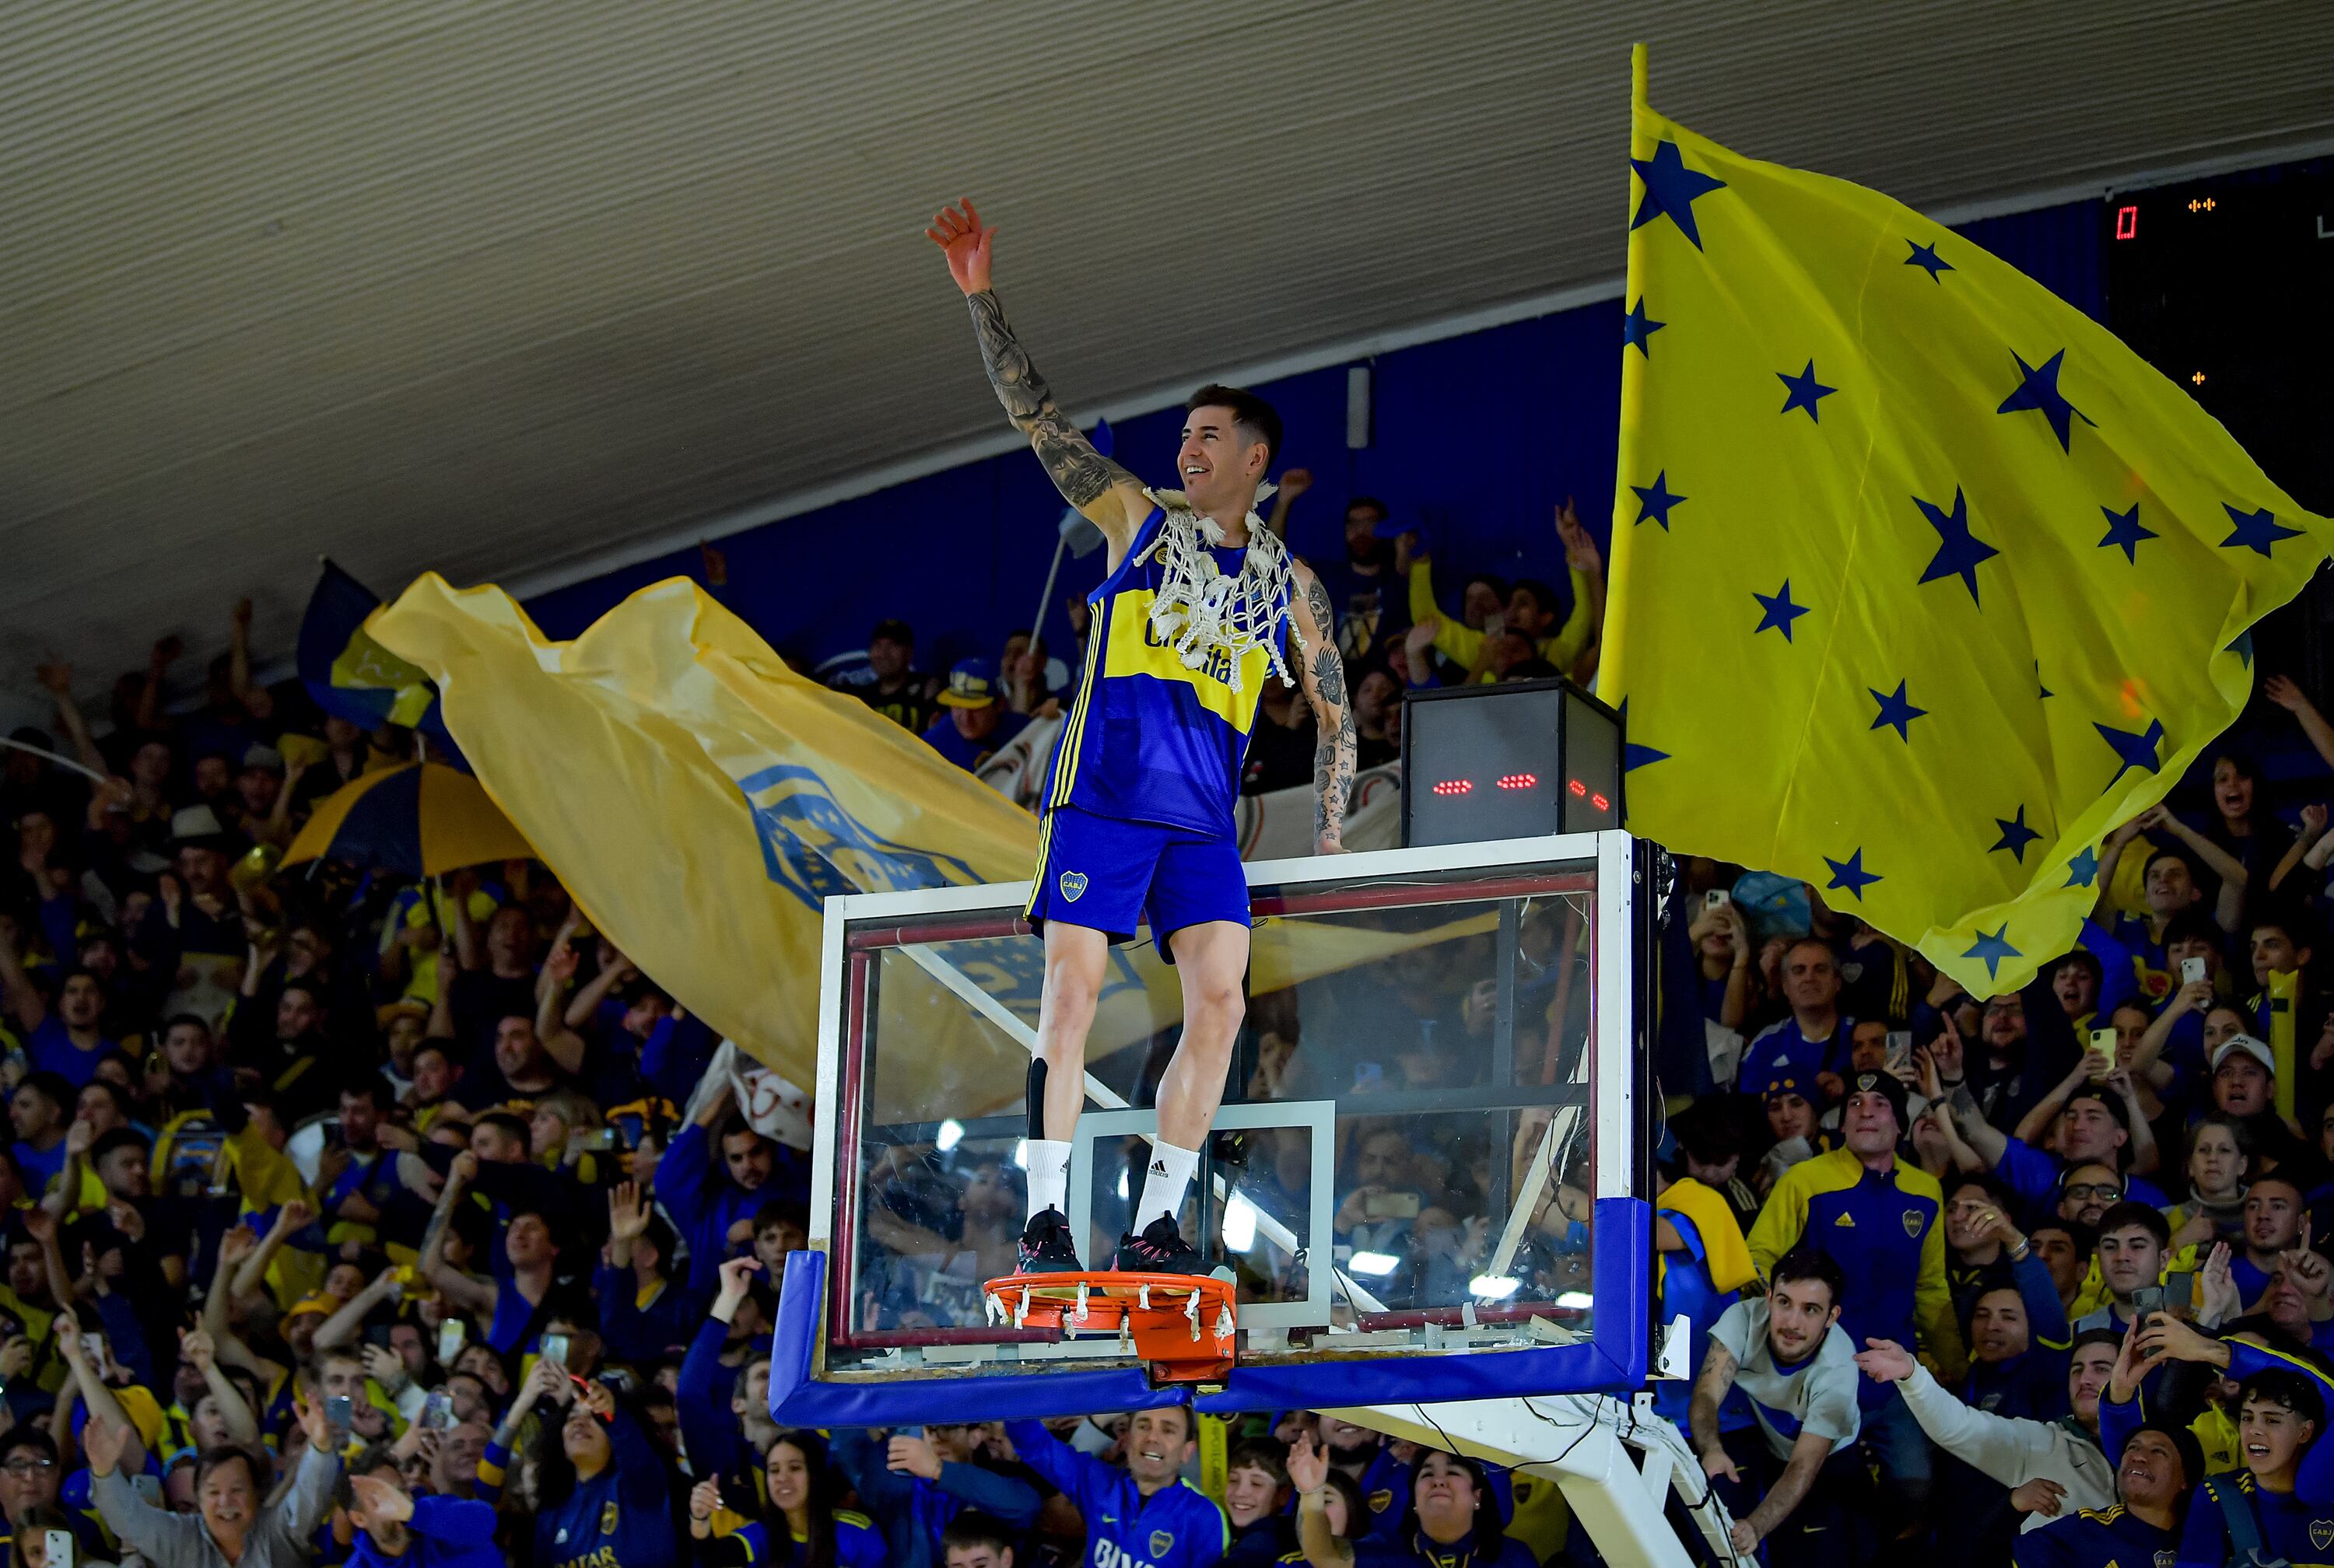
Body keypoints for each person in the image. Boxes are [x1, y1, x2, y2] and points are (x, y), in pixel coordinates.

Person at [930, 197, 1355, 1275]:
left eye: (1207, 435)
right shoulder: (1139, 519)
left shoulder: (1290, 585)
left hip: (1201, 826)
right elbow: (1041, 422)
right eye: (1183, 435)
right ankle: (1044, 1220)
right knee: (1071, 994)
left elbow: (1338, 714)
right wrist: (981, 297)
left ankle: (1156, 1222)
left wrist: (1335, 827)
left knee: (1222, 1005)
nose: (1187, 447)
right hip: (1105, 800)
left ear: (1254, 457)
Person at [1687, 1248, 1869, 1563]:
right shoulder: (1743, 1318)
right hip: (1772, 1451)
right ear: (1769, 1297)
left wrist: (1755, 1527)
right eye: (1784, 1302)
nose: (1792, 1322)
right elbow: (1706, 1395)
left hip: (1832, 1466)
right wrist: (1711, 1449)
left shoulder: (1839, 1368)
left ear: (1832, 1316)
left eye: (1811, 1309)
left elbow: (1804, 1466)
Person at [86, 1389, 342, 1568]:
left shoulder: (280, 1531)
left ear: (256, 1493)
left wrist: (320, 1447)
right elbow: (130, 1520)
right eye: (213, 1492)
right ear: (198, 1499)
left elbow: (310, 1495)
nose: (225, 1502)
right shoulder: (181, 1538)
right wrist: (104, 1472)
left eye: (237, 1490)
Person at [1001, 1408, 1227, 1568]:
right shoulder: (1098, 1482)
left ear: (1187, 1451)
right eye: (1143, 1426)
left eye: (1168, 1430)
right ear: (1128, 1439)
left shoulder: (1205, 1517)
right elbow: (1032, 1444)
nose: (1152, 1438)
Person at [1288, 1436, 1532, 1568]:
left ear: (1478, 1497)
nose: (1438, 1480)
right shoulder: (1387, 1548)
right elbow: (1324, 1555)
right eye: (1426, 1474)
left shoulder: (1513, 1557)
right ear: (1414, 1500)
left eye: (1453, 1472)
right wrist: (1311, 1493)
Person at [687, 1429, 885, 1568]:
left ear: (815, 1475)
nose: (782, 1478)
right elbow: (713, 1559)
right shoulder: (759, 1535)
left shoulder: (858, 1533)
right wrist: (700, 1518)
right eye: (774, 1470)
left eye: (795, 1468)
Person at [345, 1471, 502, 1567]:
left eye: (400, 1491)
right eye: (378, 1500)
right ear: (359, 1518)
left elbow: (486, 1522)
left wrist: (412, 1512)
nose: (395, 1504)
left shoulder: (440, 1513)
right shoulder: (358, 1565)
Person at [923, 659, 1032, 772]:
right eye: (957, 706)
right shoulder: (932, 745)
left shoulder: (1024, 730)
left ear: (1000, 704)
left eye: (976, 708)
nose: (966, 718)